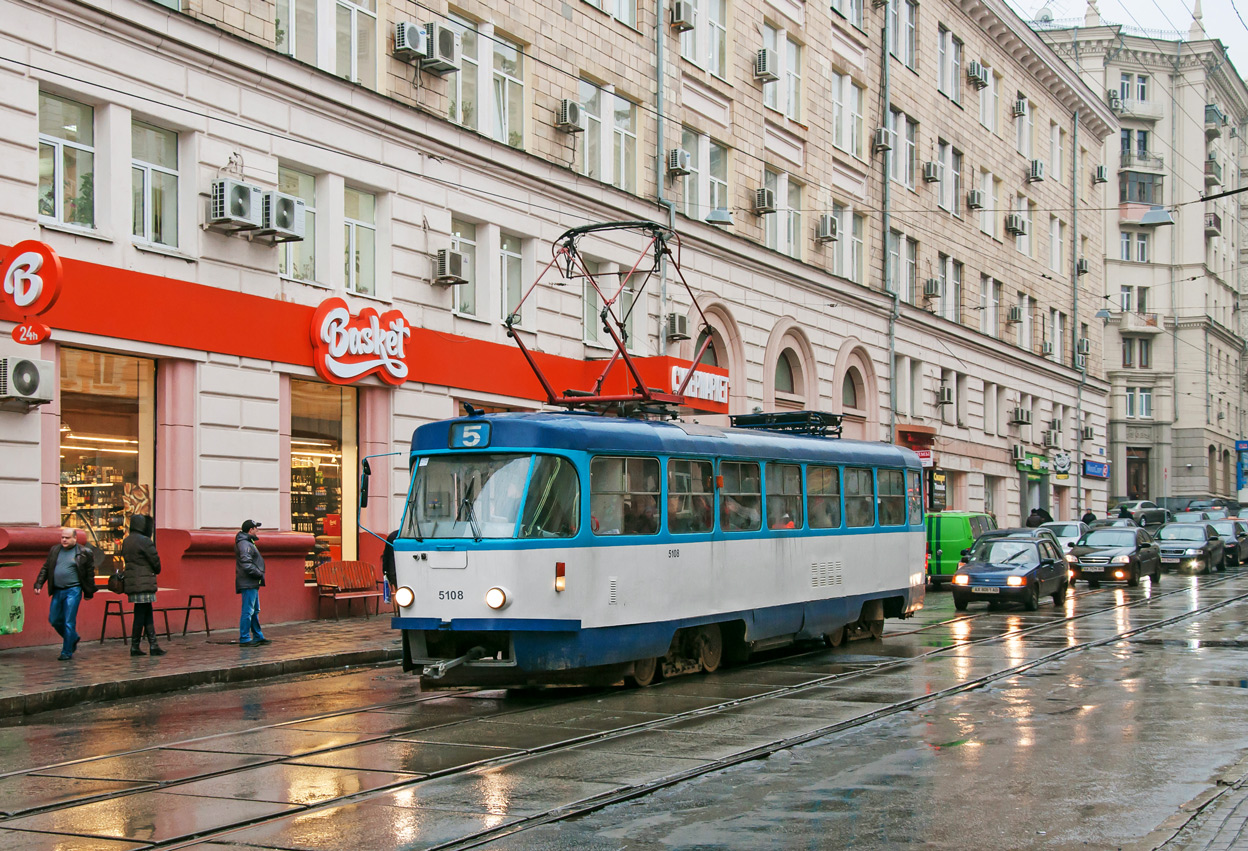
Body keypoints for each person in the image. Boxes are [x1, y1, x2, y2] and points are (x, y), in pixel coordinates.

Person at [33, 527, 97, 661]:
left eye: (67, 538)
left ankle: (66, 652)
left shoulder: (84, 552)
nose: (64, 540)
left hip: (73, 590)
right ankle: (72, 638)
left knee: (69, 621)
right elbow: (46, 567)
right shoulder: (55, 550)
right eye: (62, 537)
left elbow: (90, 574)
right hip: (57, 590)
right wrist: (39, 583)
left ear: (75, 538)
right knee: (55, 619)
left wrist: (89, 592)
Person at [121, 514, 164, 657]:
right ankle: (138, 646)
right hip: (144, 582)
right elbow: (155, 562)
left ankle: (153, 644)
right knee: (141, 614)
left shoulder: (127, 541)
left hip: (133, 582)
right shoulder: (145, 541)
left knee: (145, 612)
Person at [235, 520, 268, 646]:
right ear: (250, 530)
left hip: (251, 582)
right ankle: (244, 638)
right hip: (248, 582)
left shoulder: (248, 542)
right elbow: (246, 564)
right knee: (248, 611)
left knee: (254, 610)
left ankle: (258, 635)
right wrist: (258, 573)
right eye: (256, 528)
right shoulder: (245, 544)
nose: (257, 531)